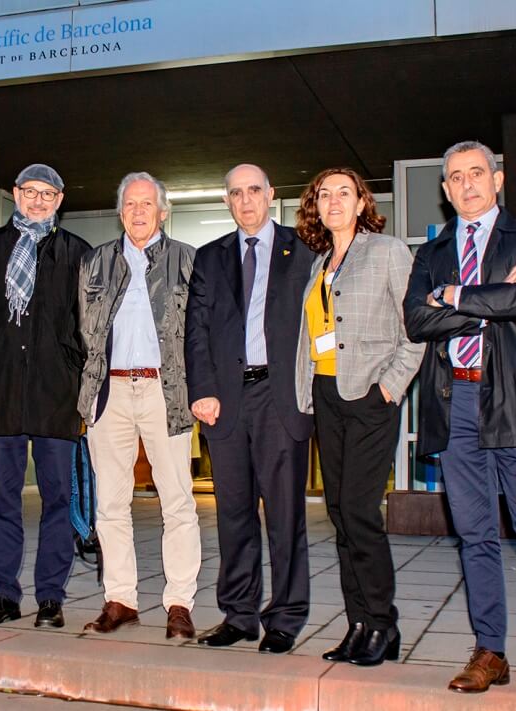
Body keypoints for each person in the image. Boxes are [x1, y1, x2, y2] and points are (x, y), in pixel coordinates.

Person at [404, 141, 516, 707]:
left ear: (498, 179)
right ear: (445, 189)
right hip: (453, 400)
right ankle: (491, 652)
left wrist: (453, 297)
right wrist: (491, 297)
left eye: (476, 173)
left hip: (513, 398)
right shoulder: (432, 252)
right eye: (455, 177)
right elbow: (415, 320)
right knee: (475, 534)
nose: (467, 184)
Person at [293, 168, 424, 665]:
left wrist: (390, 387)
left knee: (362, 512)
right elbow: (313, 337)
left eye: (343, 193)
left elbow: (416, 329)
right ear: (316, 207)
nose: (333, 201)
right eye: (323, 195)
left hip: (369, 396)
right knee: (340, 514)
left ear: (361, 201)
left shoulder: (386, 251)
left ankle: (383, 624)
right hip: (327, 395)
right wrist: (306, 391)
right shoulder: (320, 263)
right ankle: (359, 624)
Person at [184, 164, 315, 651]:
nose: (245, 201)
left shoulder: (303, 251)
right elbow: (194, 330)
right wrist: (203, 388)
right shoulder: (210, 258)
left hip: (280, 398)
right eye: (235, 193)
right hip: (226, 400)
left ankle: (285, 616)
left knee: (285, 516)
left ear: (271, 194)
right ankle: (239, 615)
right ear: (227, 201)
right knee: (233, 513)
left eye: (254, 190)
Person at [0, 164, 91, 628]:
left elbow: (89, 330)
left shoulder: (77, 252)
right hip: (1, 390)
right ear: (15, 194)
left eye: (47, 193)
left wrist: (86, 389)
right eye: (29, 192)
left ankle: (50, 597)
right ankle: (3, 595)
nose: (37, 201)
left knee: (57, 500)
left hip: (58, 394)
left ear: (59, 198)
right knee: (3, 501)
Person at [78, 172, 201, 639]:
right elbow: (83, 333)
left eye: (146, 204)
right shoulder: (95, 263)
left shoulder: (187, 261)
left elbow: (199, 334)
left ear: (163, 211)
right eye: (130, 204)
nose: (137, 211)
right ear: (120, 211)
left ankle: (179, 603)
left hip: (165, 392)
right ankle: (120, 598)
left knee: (178, 502)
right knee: (110, 504)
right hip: (109, 393)